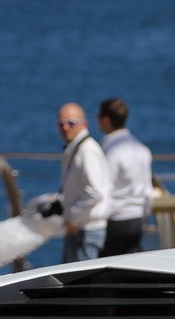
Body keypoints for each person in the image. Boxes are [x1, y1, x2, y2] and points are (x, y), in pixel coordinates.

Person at [54, 101, 110, 262]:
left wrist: (72, 218)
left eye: (71, 123)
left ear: (83, 124)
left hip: (87, 230)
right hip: (80, 228)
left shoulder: (87, 151)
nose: (65, 128)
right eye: (61, 124)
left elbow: (95, 193)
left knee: (80, 284)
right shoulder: (76, 148)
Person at [97, 97, 153, 257]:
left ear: (106, 120)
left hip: (116, 220)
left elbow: (104, 189)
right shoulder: (142, 149)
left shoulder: (110, 150)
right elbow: (147, 190)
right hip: (137, 219)